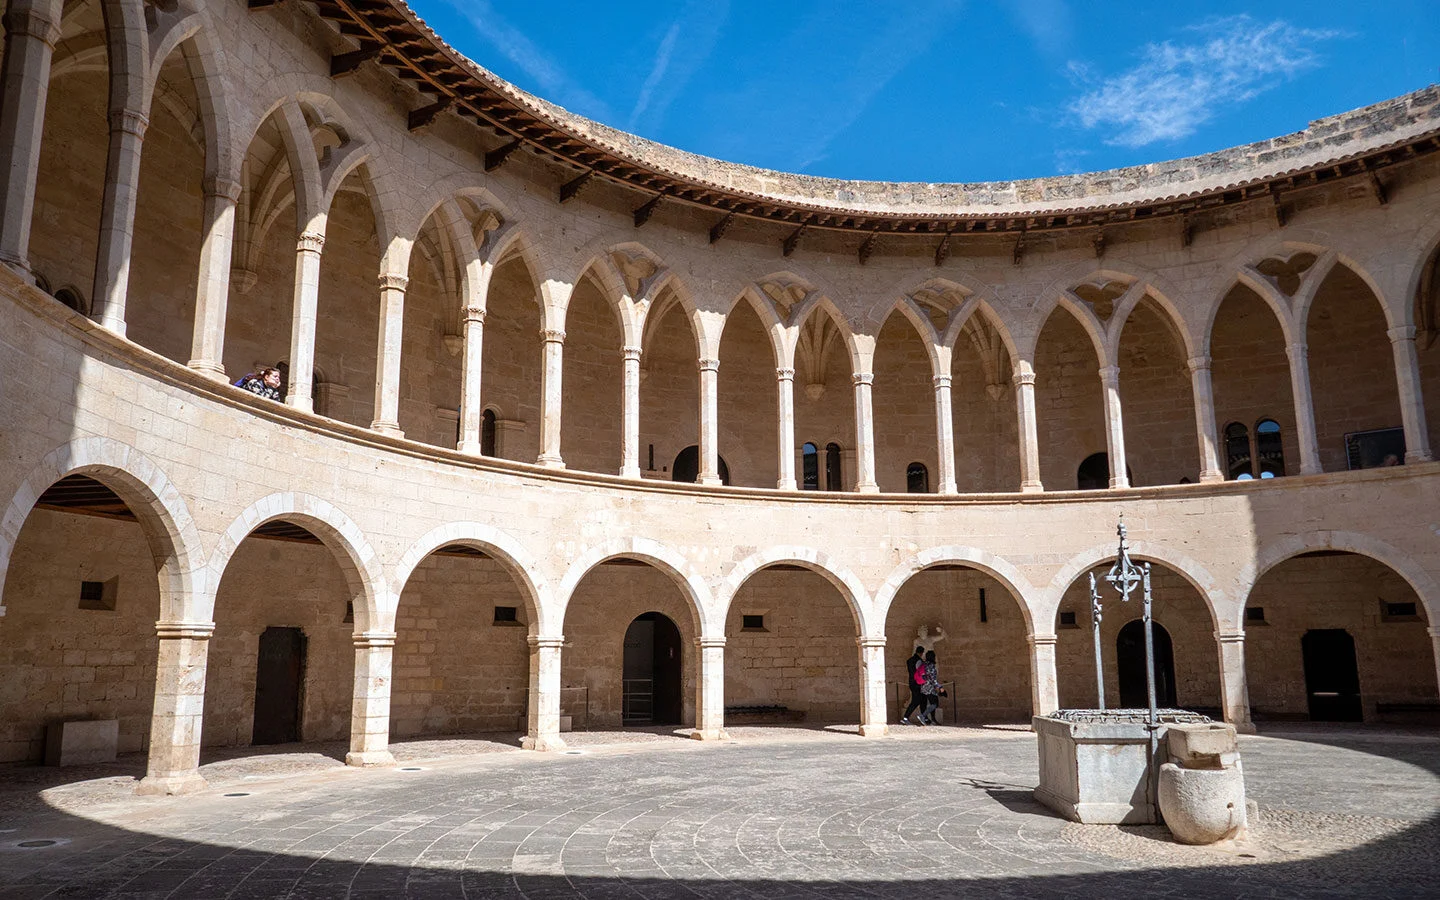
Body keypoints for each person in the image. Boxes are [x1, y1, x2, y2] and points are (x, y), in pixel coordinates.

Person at [900, 646, 926, 724]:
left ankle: (923, 717)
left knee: (921, 700)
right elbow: (920, 672)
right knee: (916, 701)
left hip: (912, 682)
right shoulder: (919, 661)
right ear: (921, 653)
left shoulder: (909, 660)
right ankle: (905, 717)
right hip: (918, 683)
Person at [920, 649, 945, 725]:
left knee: (932, 703)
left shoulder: (924, 664)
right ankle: (922, 716)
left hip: (924, 686)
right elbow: (933, 678)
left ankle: (933, 720)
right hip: (930, 687)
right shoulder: (931, 665)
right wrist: (940, 687)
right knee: (935, 704)